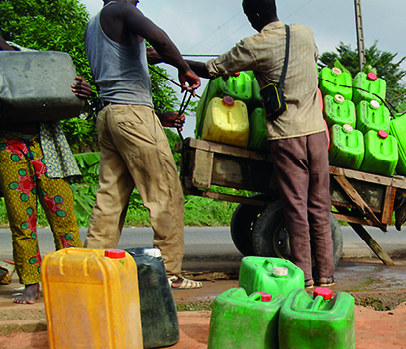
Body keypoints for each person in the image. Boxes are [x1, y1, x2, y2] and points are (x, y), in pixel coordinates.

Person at [183, 0, 334, 287]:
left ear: (254, 15)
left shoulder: (254, 45)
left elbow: (213, 69)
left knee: (295, 207)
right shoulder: (305, 32)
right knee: (319, 204)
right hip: (316, 133)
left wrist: (173, 58)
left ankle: (305, 276)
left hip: (286, 135)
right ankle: (326, 274)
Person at [83, 0, 202, 289]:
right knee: (165, 193)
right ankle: (170, 273)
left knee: (110, 199)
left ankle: (92, 270)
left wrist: (196, 66)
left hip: (110, 114)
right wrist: (184, 69)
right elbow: (159, 38)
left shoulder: (94, 26)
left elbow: (148, 54)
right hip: (133, 114)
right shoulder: (121, 9)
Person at [0, 35, 91, 304]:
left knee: (62, 215)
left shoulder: (33, 58)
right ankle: (31, 283)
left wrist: (81, 93)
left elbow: (68, 95)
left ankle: (73, 278)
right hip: (7, 146)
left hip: (47, 144)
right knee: (21, 220)